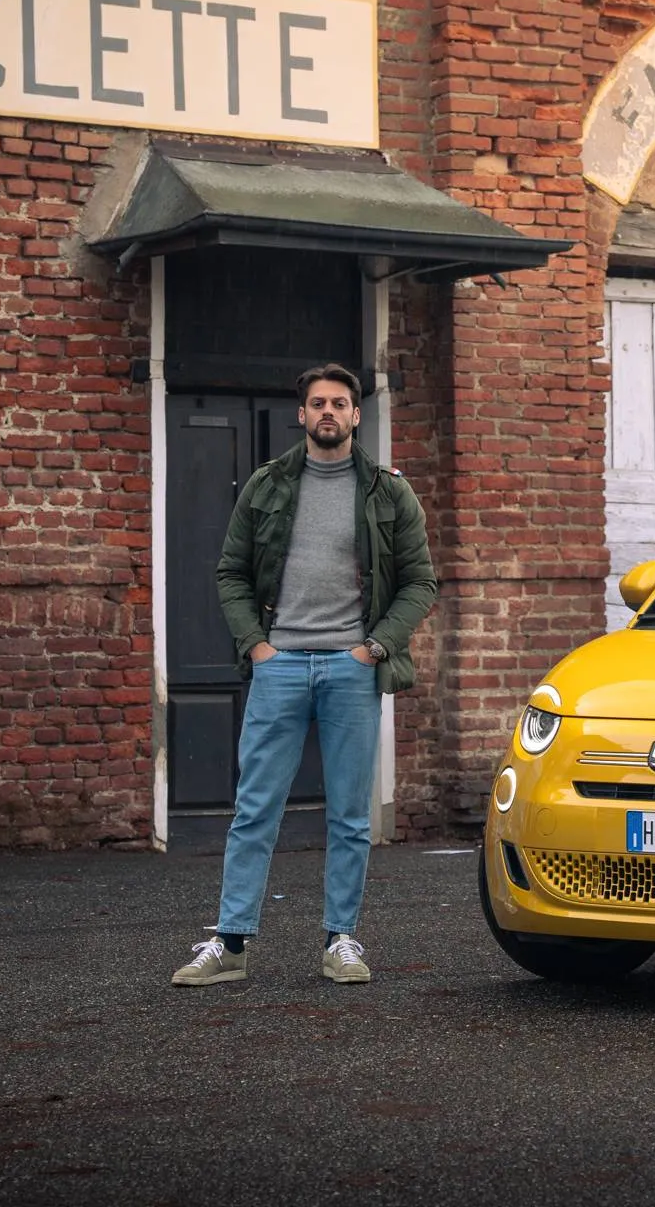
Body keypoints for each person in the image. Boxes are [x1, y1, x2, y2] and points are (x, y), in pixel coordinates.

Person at [171, 363, 438, 987]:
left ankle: (340, 938)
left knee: (348, 813)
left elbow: (419, 580)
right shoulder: (266, 486)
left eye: (339, 403)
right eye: (317, 402)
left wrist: (374, 648)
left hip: (351, 667)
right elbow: (230, 572)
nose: (327, 412)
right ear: (301, 414)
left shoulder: (387, 491)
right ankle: (230, 943)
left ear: (355, 415)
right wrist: (257, 646)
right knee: (255, 808)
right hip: (281, 665)